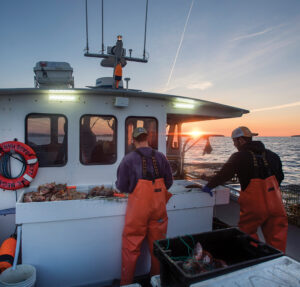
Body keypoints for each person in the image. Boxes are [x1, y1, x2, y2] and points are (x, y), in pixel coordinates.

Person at [203, 126, 288, 252]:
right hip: (276, 205)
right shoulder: (273, 155)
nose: (234, 144)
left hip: (254, 207)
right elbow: (280, 177)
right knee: (277, 237)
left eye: (234, 141)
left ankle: (253, 256)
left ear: (241, 141)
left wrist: (208, 186)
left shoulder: (238, 156)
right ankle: (276, 260)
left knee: (247, 234)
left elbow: (223, 175)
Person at [116, 127, 173, 286]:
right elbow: (168, 182)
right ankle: (156, 280)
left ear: (133, 140)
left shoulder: (128, 159)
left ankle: (127, 284)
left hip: (138, 211)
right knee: (158, 247)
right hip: (159, 209)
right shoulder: (161, 156)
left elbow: (121, 186)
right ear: (148, 138)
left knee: (131, 246)